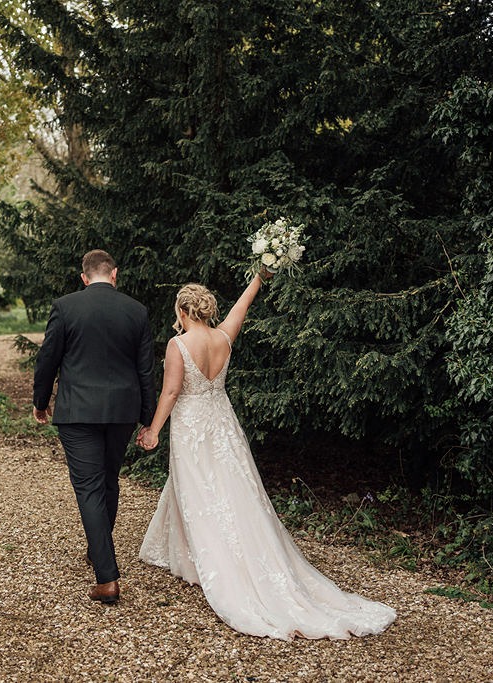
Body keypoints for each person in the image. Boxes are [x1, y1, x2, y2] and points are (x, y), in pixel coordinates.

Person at [136, 272, 397, 639]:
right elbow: (243, 305)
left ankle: (219, 566)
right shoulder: (223, 337)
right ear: (207, 309)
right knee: (229, 488)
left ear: (183, 310)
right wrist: (259, 276)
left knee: (200, 490)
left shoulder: (177, 345)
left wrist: (153, 431)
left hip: (192, 425)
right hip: (223, 423)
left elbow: (171, 391)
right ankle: (190, 557)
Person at [33, 250, 156, 604]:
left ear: (84, 277)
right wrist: (147, 418)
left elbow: (48, 359)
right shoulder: (136, 310)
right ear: (114, 273)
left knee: (88, 487)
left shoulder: (66, 307)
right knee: (108, 480)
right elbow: (145, 370)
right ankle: (98, 548)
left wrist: (41, 402)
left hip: (78, 412)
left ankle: (106, 578)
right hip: (122, 411)